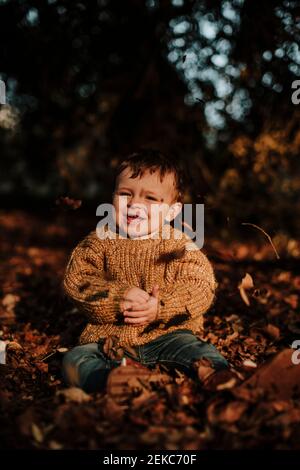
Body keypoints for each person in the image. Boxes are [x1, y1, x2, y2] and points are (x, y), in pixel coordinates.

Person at [61, 148, 234, 394]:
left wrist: (161, 306)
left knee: (202, 353)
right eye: (125, 194)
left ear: (172, 211)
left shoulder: (179, 244)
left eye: (151, 198)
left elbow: (200, 286)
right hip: (109, 339)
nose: (134, 204)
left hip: (169, 335)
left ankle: (223, 382)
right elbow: (77, 281)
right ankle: (116, 380)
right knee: (74, 361)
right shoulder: (99, 241)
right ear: (113, 197)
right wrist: (118, 297)